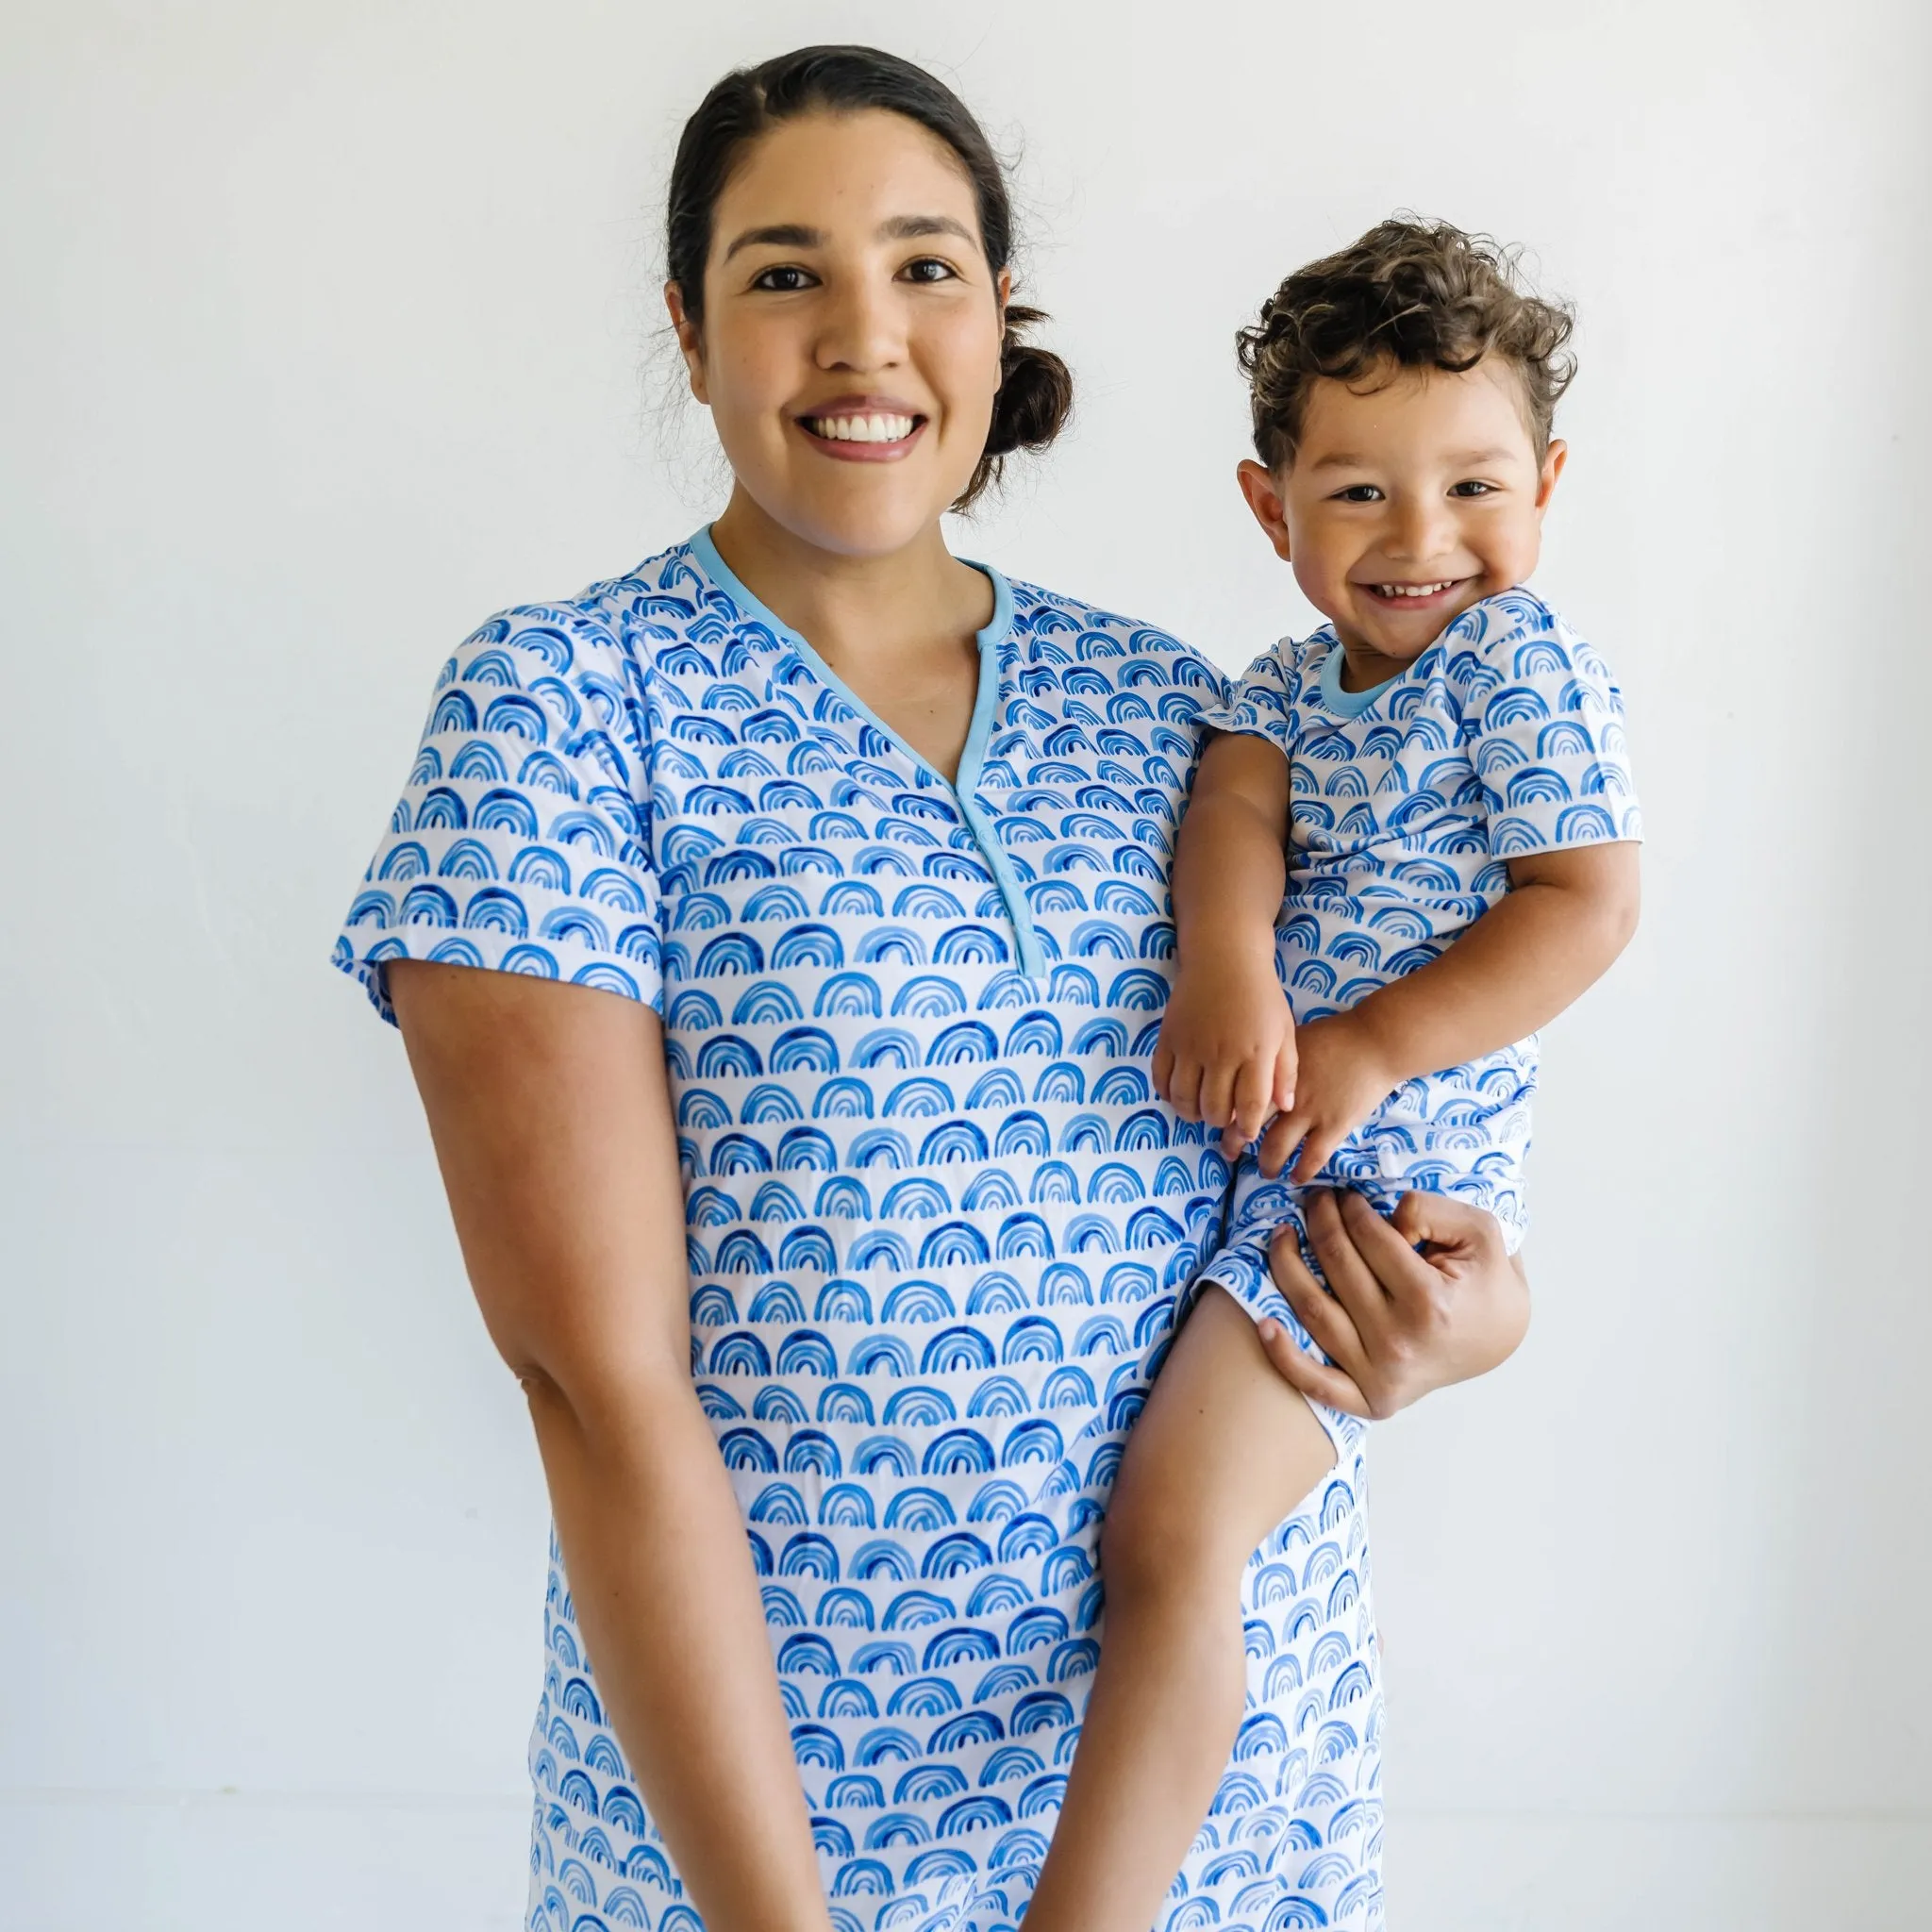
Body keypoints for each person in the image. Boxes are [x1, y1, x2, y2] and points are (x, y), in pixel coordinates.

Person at [332, 55, 1534, 1932]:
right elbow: (595, 1378)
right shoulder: (559, 708)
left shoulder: (1182, 713)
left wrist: (1469, 1310)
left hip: (1218, 1830)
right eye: (784, 273)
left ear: (996, 316)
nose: (863, 338)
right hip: (762, 1836)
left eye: (927, 267)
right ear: (690, 324)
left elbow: (1369, 1122)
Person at [1020, 220, 1642, 1932]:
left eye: (1473, 486)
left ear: (1549, 480)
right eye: (1356, 491)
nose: (1420, 540)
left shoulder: (1518, 663)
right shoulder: (1285, 688)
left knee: (1169, 1547)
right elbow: (1231, 814)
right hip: (1282, 1184)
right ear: (1268, 505)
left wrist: (1365, 1044)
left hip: (1380, 1207)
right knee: (1163, 1554)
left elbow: (1586, 907)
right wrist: (1227, 969)